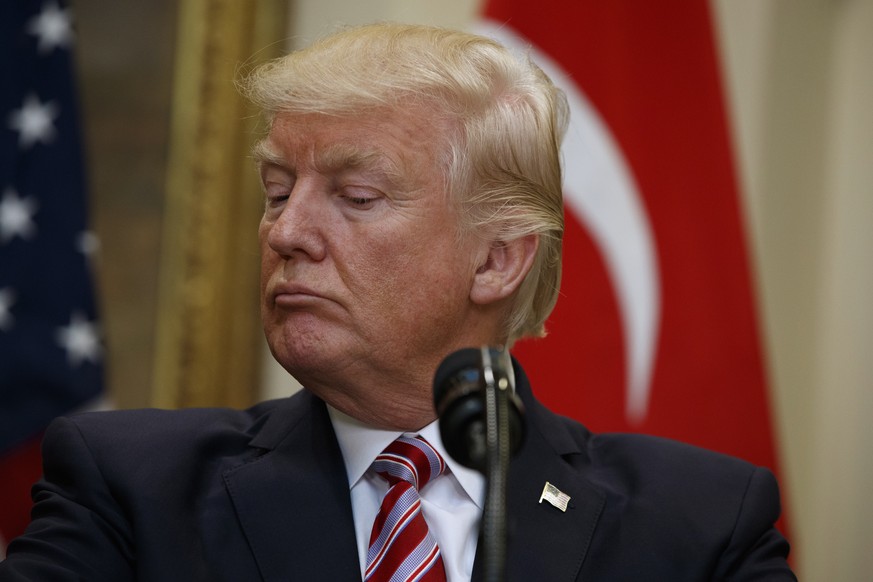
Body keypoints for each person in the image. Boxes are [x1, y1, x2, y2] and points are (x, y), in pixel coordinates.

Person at [0, 23, 794, 581]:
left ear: (495, 261)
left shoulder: (700, 524)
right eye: (277, 190)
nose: (286, 232)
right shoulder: (131, 490)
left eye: (356, 195)